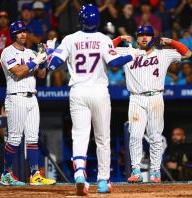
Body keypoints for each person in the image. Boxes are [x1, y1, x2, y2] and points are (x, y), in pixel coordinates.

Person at [45, 4, 135, 195]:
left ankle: (79, 174)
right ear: (98, 20)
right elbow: (114, 63)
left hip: (78, 91)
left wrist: (48, 51)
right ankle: (103, 181)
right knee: (103, 138)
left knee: (80, 135)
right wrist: (130, 54)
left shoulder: (69, 39)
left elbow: (52, 65)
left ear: (81, 20)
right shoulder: (103, 39)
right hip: (99, 92)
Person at [112, 25, 192, 183]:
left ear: (153, 37)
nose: (144, 37)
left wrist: (171, 41)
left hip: (155, 97)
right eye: (141, 35)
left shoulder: (163, 53)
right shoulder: (129, 52)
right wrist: (120, 39)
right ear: (136, 38)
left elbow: (188, 53)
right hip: (135, 98)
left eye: (148, 35)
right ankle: (136, 170)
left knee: (156, 136)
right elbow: (105, 49)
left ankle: (156, 172)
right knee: (134, 135)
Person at [0, 20, 55, 186]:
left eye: (24, 31)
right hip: (16, 97)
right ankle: (6, 174)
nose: (23, 34)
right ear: (13, 34)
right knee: (15, 138)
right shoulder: (7, 52)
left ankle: (35, 174)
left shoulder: (31, 52)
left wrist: (44, 57)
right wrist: (36, 60)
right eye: (19, 31)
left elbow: (42, 74)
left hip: (32, 98)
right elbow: (18, 72)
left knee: (32, 137)